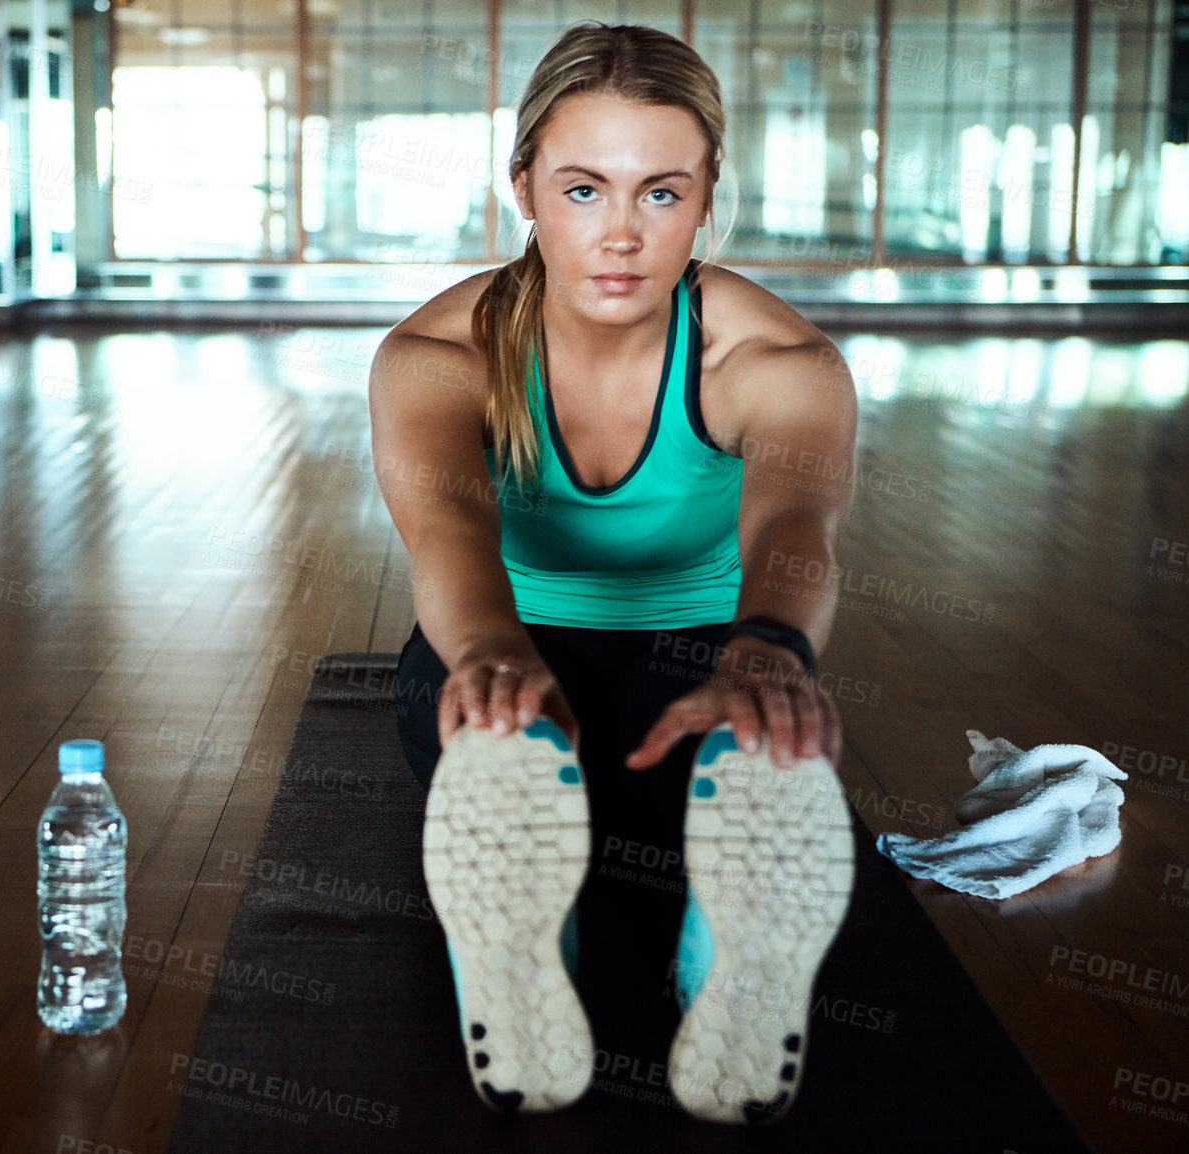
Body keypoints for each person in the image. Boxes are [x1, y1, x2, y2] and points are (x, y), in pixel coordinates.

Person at [367, 22, 859, 1124]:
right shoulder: (433, 356)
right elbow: (447, 533)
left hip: (696, 660)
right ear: (525, 188)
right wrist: (491, 657)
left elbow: (796, 523)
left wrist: (768, 651)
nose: (623, 235)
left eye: (661, 193)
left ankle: (706, 951)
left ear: (705, 196)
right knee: (497, 733)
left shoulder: (773, 360)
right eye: (584, 190)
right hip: (507, 639)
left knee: (748, 758)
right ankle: (561, 929)